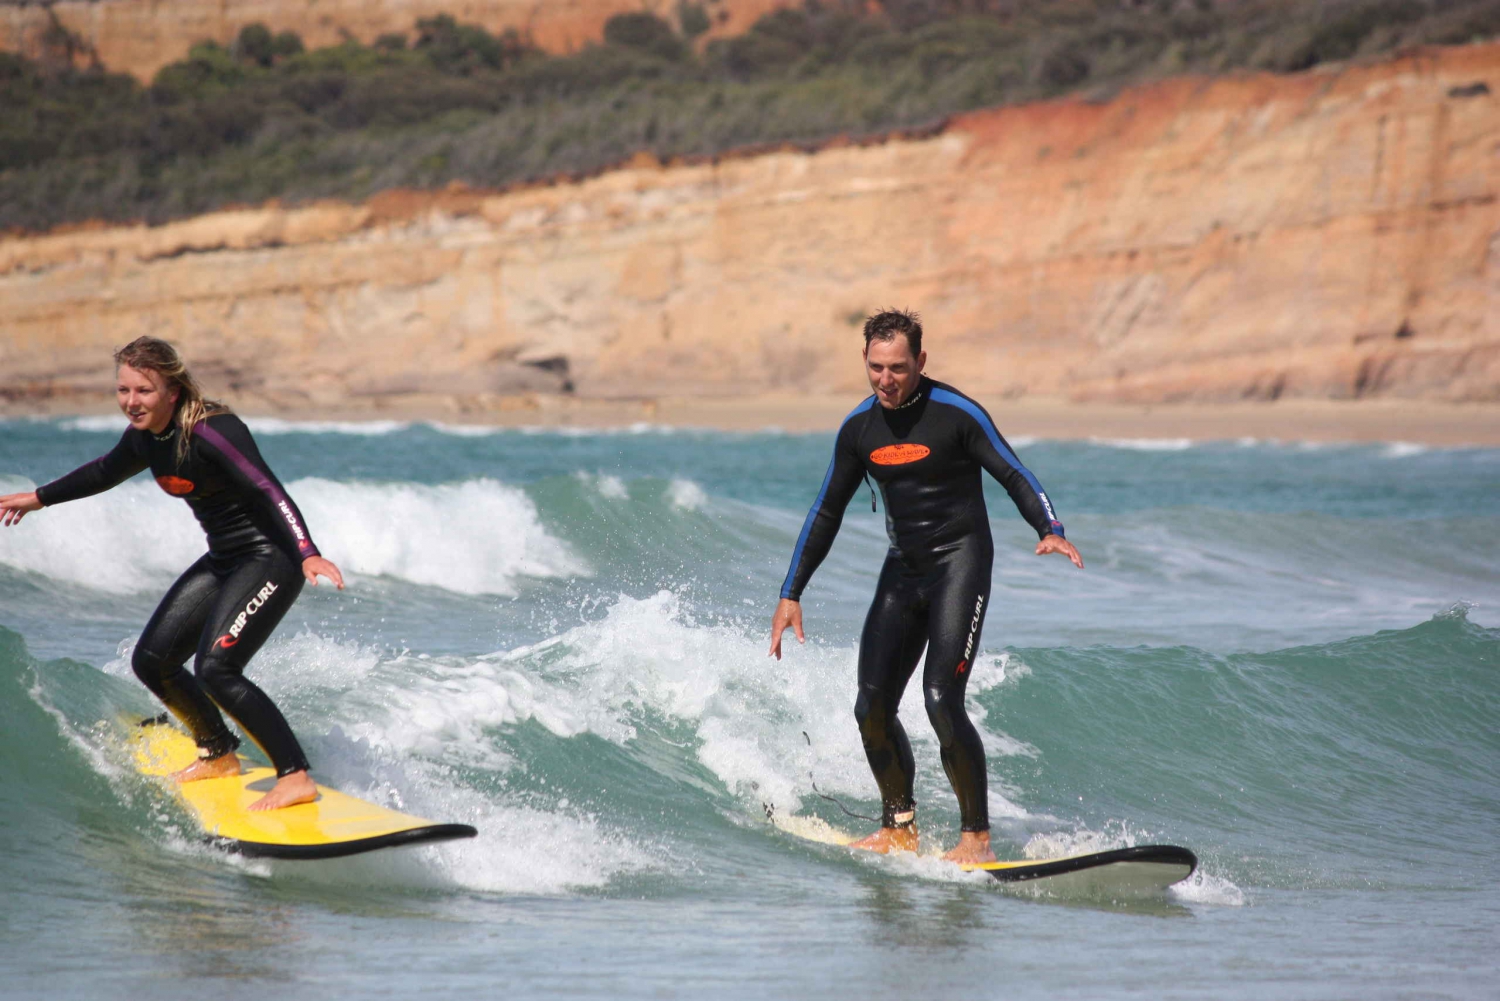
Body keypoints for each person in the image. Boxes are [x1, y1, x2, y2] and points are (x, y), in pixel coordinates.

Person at [769, 310, 1083, 864]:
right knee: (871, 706)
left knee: (940, 699)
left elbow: (1013, 472)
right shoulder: (858, 429)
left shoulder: (956, 414)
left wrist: (1049, 529)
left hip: (960, 563)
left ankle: (975, 838)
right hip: (904, 568)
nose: (885, 380)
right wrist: (791, 592)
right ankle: (900, 828)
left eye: (898, 368)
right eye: (875, 368)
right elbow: (825, 512)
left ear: (920, 361)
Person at [0, 337, 344, 811]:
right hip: (225, 558)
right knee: (153, 661)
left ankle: (295, 774)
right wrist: (38, 498)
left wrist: (307, 551)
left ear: (172, 392)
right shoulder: (146, 438)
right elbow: (104, 471)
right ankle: (218, 753)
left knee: (217, 669)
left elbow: (268, 487)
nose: (130, 402)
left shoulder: (213, 431)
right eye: (123, 390)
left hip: (270, 558)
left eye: (143, 390)